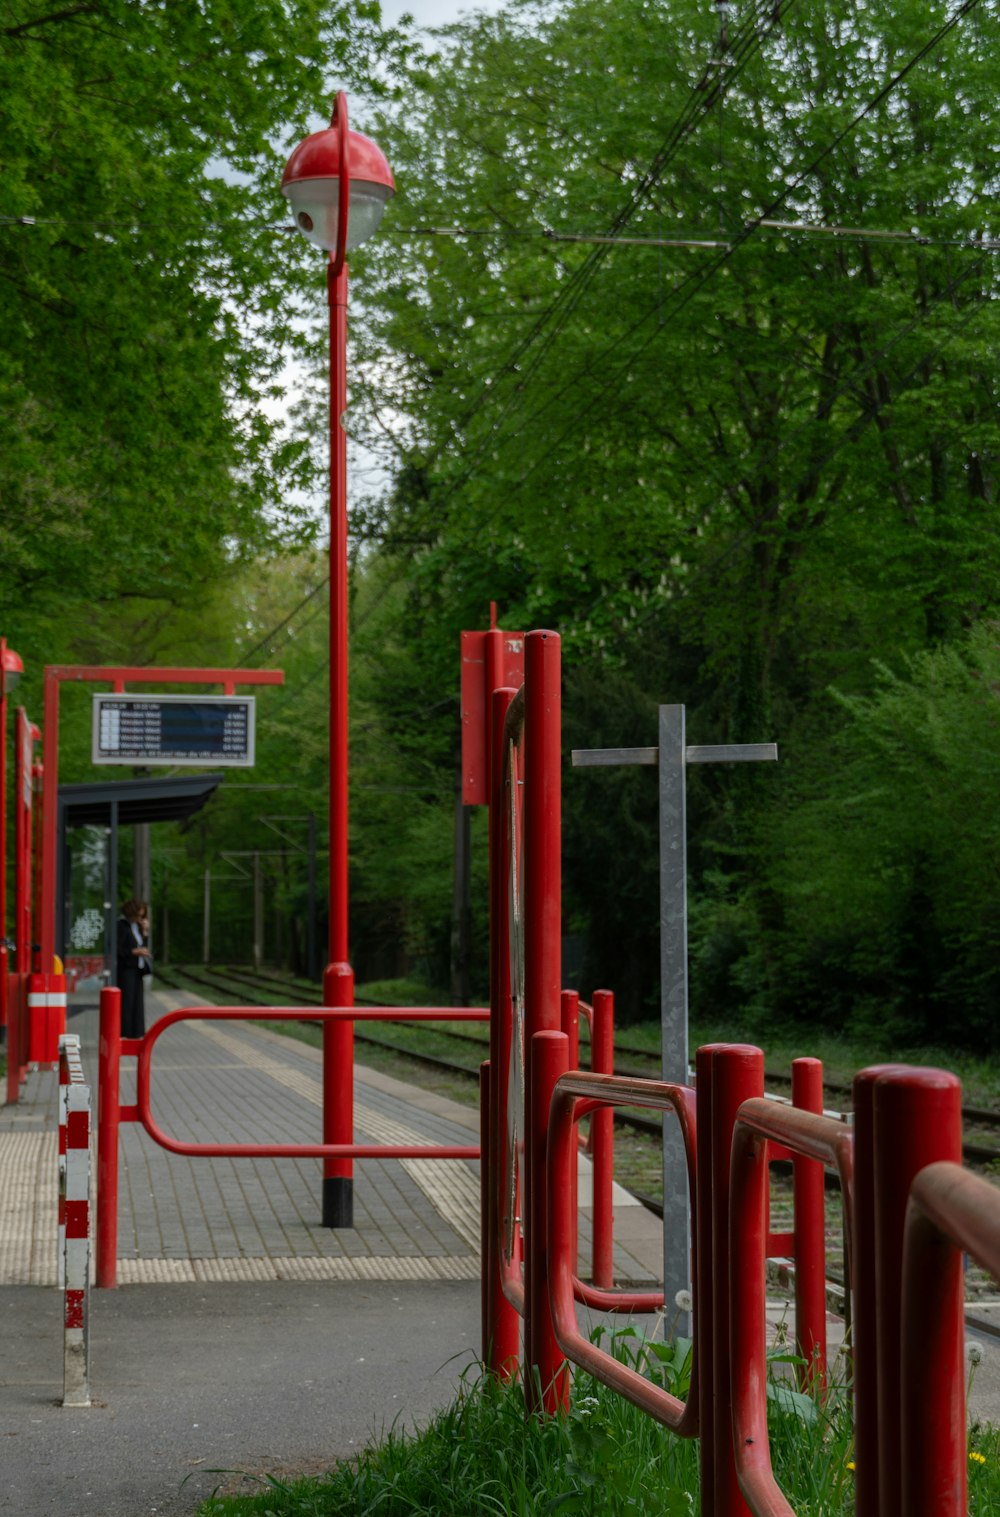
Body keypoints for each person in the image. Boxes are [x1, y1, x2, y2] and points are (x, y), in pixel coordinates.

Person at [115, 898, 150, 1038]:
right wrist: (132, 952)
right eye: (138, 916)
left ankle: (136, 1031)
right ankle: (125, 1031)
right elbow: (117, 949)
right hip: (126, 969)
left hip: (137, 968)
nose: (140, 919)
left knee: (137, 1001)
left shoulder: (136, 927)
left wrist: (145, 931)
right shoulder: (121, 926)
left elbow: (143, 946)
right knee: (127, 1001)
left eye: (142, 916)